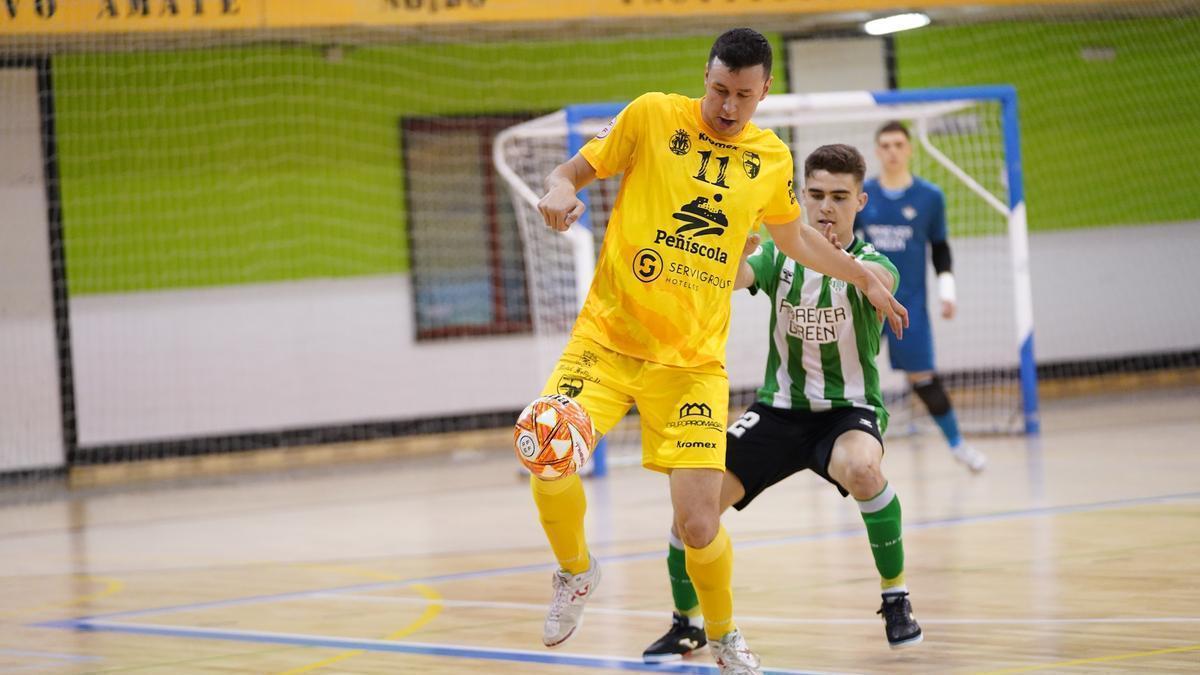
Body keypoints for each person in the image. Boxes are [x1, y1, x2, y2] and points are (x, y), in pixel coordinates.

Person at [521, 28, 907, 674]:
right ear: (705, 75)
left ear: (766, 91)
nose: (729, 107)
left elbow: (795, 241)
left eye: (744, 95)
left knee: (699, 521)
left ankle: (723, 635)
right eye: (720, 90)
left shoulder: (771, 159)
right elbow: (575, 171)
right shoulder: (651, 116)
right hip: (608, 341)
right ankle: (575, 571)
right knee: (544, 444)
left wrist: (860, 274)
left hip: (693, 365)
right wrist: (562, 190)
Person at [642, 144, 923, 664]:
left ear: (860, 201)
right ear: (799, 197)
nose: (825, 207)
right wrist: (723, 245)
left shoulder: (873, 265)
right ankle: (687, 625)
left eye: (840, 197)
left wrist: (866, 280)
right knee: (693, 507)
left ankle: (895, 596)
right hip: (777, 410)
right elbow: (738, 276)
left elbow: (882, 283)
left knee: (862, 467)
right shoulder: (778, 256)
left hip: (847, 412)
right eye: (814, 195)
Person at [856, 121, 987, 472]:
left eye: (899, 144)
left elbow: (940, 248)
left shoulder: (930, 198)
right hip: (864, 303)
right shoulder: (862, 196)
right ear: (876, 151)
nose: (892, 151)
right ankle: (844, 455)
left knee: (924, 379)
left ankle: (958, 446)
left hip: (908, 304)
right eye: (885, 145)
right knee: (849, 378)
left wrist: (947, 291)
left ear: (909, 149)